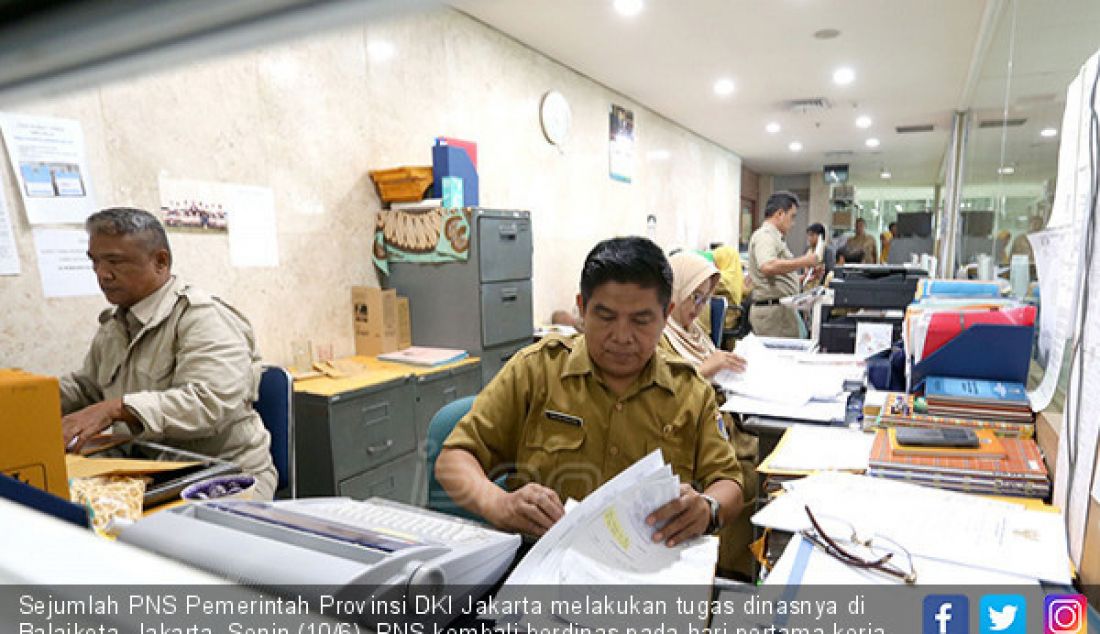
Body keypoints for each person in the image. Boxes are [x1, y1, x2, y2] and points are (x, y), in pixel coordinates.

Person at [437, 237, 745, 566]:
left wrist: (707, 508)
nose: (622, 336)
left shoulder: (690, 391)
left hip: (644, 573)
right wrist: (497, 503)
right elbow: (453, 458)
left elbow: (729, 483)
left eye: (641, 321)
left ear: (666, 314)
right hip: (542, 565)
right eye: (606, 317)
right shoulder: (537, 370)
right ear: (582, 308)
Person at [59, 207, 277, 499]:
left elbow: (207, 404)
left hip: (223, 476)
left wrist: (117, 408)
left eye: (114, 261)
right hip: (151, 470)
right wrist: (28, 397)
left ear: (160, 261)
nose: (102, 274)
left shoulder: (202, 317)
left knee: (153, 539)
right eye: (94, 261)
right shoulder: (116, 324)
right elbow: (88, 388)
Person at [660, 251, 759, 578]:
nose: (698, 308)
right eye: (694, 297)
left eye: (705, 299)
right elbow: (668, 392)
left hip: (722, 426)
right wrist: (709, 368)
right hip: (689, 434)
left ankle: (740, 563)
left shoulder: (691, 333)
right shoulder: (661, 336)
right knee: (745, 477)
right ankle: (731, 569)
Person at [746, 191, 819, 338]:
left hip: (779, 310)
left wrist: (800, 279)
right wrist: (804, 261)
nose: (793, 224)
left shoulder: (775, 237)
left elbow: (775, 277)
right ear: (780, 214)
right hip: (773, 314)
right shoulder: (765, 235)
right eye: (792, 217)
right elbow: (767, 266)